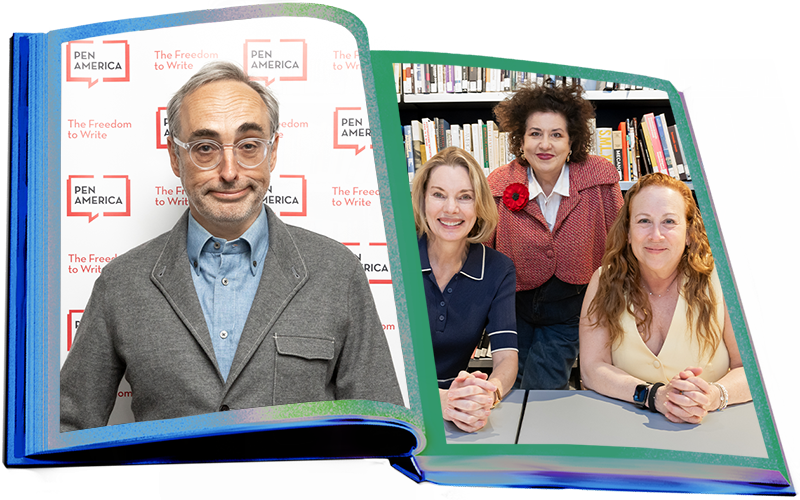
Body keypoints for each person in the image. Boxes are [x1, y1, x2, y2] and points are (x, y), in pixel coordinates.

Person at [60, 61, 410, 497]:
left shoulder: (336, 271)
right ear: (175, 157)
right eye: (205, 148)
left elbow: (384, 451)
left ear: (273, 152)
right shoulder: (121, 283)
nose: (229, 171)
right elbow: (67, 440)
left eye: (248, 145)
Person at [579, 172, 764, 423]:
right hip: (621, 430)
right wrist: (652, 395)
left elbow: (757, 369)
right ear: (628, 232)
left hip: (710, 430)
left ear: (689, 233)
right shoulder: (604, 280)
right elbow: (592, 368)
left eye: (669, 222)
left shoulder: (725, 277)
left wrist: (712, 396)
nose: (656, 235)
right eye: (644, 221)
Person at [487, 81, 624, 390]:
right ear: (520, 140)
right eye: (535, 133)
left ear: (571, 141)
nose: (544, 144)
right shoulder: (499, 183)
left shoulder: (598, 176)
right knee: (510, 384)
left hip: (571, 307)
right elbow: (483, 249)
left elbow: (622, 238)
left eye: (556, 134)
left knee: (543, 385)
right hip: (513, 309)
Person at [411, 147, 518, 433]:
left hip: (458, 410)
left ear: (479, 204)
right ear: (422, 200)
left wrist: (488, 393)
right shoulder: (394, 257)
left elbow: (507, 358)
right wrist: (441, 401)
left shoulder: (498, 269)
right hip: (395, 406)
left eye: (465, 197)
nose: (451, 209)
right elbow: (377, 368)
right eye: (438, 194)